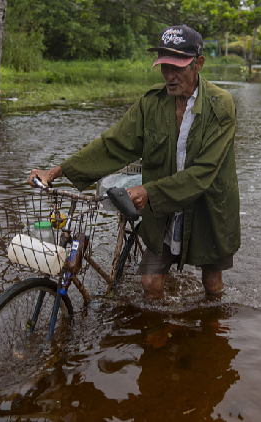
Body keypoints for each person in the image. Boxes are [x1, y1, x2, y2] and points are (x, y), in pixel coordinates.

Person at [28, 25, 240, 300]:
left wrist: (149, 191)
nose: (169, 75)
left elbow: (203, 172)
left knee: (212, 281)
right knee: (151, 282)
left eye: (178, 67)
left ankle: (209, 337)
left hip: (207, 206)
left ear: (198, 64)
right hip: (161, 207)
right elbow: (113, 144)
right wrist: (57, 171)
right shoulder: (152, 103)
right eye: (164, 66)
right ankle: (159, 334)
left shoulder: (221, 106)